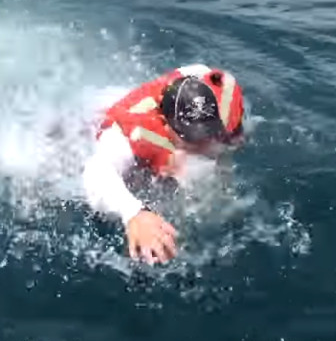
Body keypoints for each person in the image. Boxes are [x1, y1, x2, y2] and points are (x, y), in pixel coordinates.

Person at [81, 63, 245, 265]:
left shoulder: (210, 84)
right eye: (195, 139)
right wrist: (134, 213)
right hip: (91, 125)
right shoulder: (125, 137)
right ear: (167, 125)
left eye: (213, 134)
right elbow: (96, 171)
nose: (206, 145)